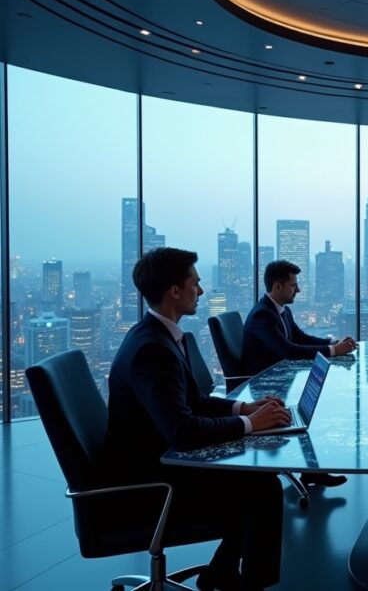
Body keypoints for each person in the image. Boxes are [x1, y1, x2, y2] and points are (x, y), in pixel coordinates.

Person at [104, 247, 291, 591]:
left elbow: (194, 401)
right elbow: (183, 430)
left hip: (161, 458)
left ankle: (220, 573)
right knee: (263, 487)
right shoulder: (153, 349)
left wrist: (243, 410)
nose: (201, 291)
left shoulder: (160, 336)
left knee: (256, 480)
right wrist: (251, 426)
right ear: (175, 291)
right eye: (196, 283)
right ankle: (252, 585)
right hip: (152, 482)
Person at [242, 259, 355, 488]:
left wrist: (333, 342)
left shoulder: (281, 311)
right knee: (316, 410)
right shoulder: (263, 315)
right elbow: (289, 350)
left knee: (314, 406)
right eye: (294, 285)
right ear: (277, 287)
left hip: (282, 380)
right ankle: (311, 471)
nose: (299, 289)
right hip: (264, 388)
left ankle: (312, 471)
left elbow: (300, 337)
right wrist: (333, 351)